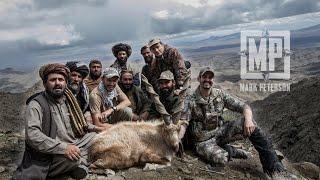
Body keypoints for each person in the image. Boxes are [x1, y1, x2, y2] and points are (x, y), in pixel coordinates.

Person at [185, 67, 286, 177]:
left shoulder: (220, 95)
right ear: (199, 79)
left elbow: (244, 106)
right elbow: (183, 122)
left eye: (210, 77)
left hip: (219, 132)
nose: (207, 80)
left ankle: (273, 166)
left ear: (213, 80)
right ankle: (231, 151)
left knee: (251, 125)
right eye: (204, 77)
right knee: (221, 158)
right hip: (203, 141)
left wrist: (248, 120)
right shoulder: (190, 100)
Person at [13, 63, 96, 180]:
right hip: (50, 151)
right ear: (44, 84)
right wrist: (63, 148)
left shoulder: (68, 99)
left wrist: (97, 128)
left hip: (73, 142)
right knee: (72, 159)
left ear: (65, 83)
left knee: (95, 137)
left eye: (61, 79)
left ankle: (78, 162)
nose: (57, 83)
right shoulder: (36, 104)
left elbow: (80, 123)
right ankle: (76, 164)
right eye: (53, 80)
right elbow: (32, 136)